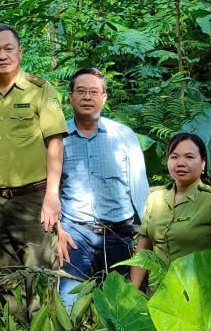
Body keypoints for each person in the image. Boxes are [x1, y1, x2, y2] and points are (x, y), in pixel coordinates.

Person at [0, 24, 67, 277]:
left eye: (8, 49)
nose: (2, 55)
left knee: (39, 277)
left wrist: (52, 196)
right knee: (4, 279)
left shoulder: (40, 91)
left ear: (20, 52)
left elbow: (55, 143)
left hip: (33, 200)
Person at [54, 68, 149, 310]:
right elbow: (49, 190)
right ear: (71, 96)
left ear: (104, 97)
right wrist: (56, 231)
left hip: (120, 233)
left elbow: (139, 187)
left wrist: (148, 232)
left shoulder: (123, 135)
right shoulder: (58, 137)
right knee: (68, 305)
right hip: (76, 235)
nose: (87, 97)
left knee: (121, 308)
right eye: (81, 91)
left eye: (94, 92)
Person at [129, 132, 211, 290]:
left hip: (198, 296)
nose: (180, 163)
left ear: (203, 164)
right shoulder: (155, 198)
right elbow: (143, 247)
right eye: (174, 157)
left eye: (189, 157)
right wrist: (132, 291)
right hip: (159, 296)